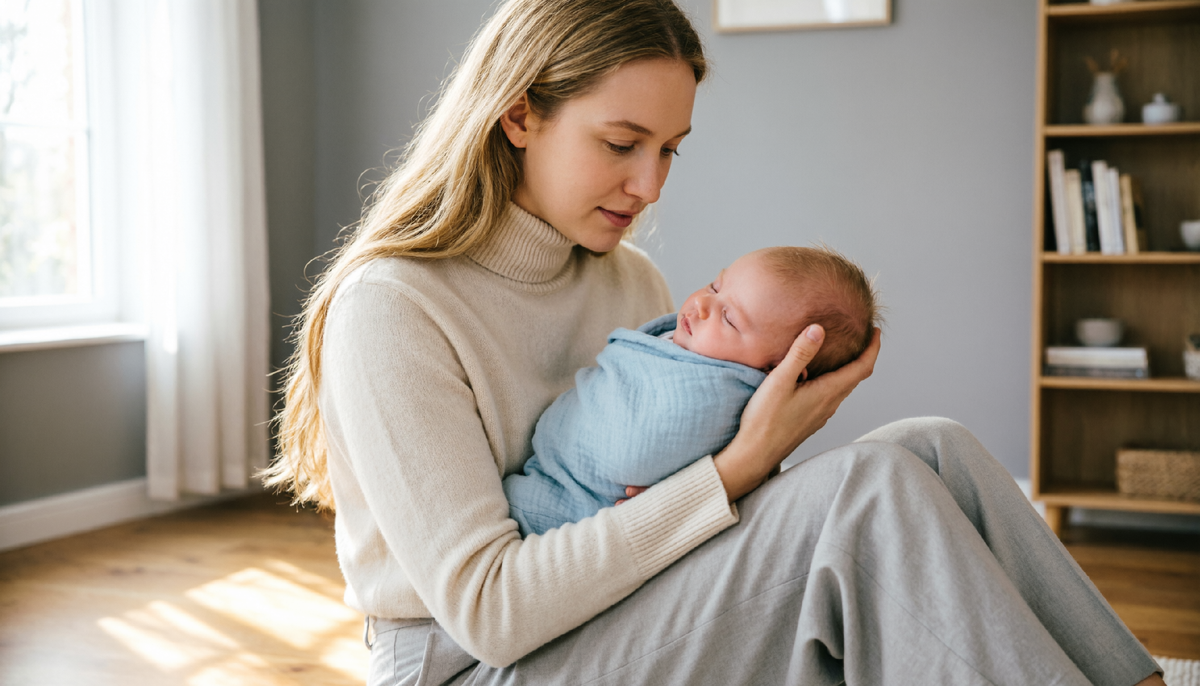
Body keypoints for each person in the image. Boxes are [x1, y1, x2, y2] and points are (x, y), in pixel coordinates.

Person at [263, 0, 1165, 684]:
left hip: (605, 610)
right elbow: (492, 611)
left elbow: (677, 515)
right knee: (869, 489)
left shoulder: (630, 282)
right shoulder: (394, 307)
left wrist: (762, 454)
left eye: (670, 150)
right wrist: (739, 468)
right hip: (470, 662)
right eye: (622, 143)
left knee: (935, 448)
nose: (649, 185)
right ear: (519, 116)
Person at [505, 246, 879, 537]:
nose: (701, 304)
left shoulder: (716, 397)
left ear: (782, 371)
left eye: (729, 318)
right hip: (538, 545)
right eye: (715, 286)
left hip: (562, 518)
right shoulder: (684, 342)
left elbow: (630, 454)